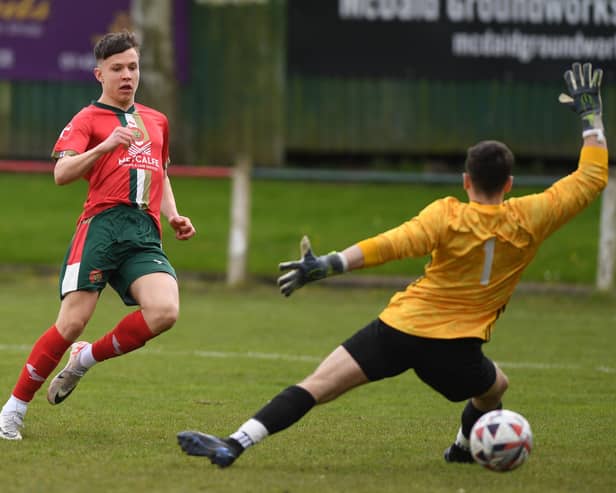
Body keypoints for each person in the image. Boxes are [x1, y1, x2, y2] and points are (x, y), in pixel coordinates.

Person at [176, 61, 607, 468]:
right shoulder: (532, 215)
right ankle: (462, 448)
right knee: (495, 387)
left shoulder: (446, 214)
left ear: (466, 181)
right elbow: (591, 177)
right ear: (509, 184)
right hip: (456, 351)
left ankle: (236, 442)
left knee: (317, 385)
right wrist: (591, 116)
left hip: (400, 328)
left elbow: (390, 244)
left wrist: (328, 264)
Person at [0, 31, 196, 440]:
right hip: (101, 228)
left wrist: (174, 215)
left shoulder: (157, 120)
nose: (127, 75)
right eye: (117, 69)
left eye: (133, 67)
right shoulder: (88, 120)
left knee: (165, 312)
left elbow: (161, 171)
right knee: (71, 321)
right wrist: (105, 146)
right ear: (99, 74)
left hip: (143, 231)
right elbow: (61, 174)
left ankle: (85, 359)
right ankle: (14, 409)